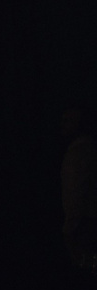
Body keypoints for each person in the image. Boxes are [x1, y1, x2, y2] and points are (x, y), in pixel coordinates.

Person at [63, 105, 95, 269]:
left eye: (68, 121)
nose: (63, 125)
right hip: (87, 221)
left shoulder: (79, 152)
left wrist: (70, 227)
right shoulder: (88, 149)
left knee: (84, 266)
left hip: (85, 224)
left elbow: (74, 192)